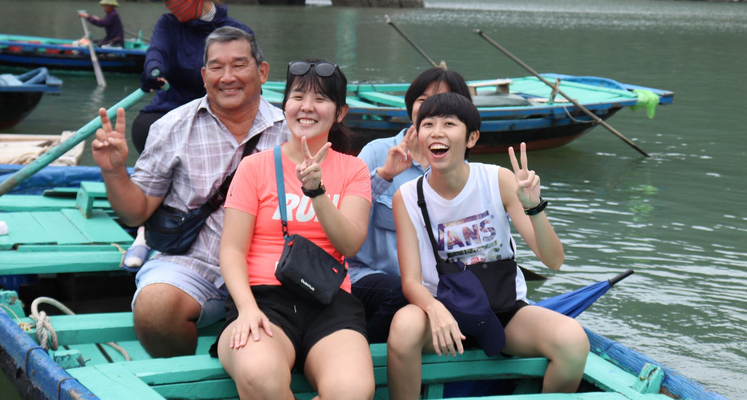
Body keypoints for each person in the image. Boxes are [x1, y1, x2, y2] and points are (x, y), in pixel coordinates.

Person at [91, 26, 289, 358]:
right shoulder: (171, 127)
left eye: (239, 65)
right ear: (203, 74)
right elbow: (135, 212)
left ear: (263, 71)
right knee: (154, 309)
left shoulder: (292, 131)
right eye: (216, 66)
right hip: (193, 263)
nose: (228, 77)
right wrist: (113, 171)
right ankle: (184, 382)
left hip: (272, 267)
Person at [387, 92, 590, 398]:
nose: (437, 132)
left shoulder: (498, 180)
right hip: (442, 316)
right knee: (403, 327)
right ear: (418, 134)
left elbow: (554, 260)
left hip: (503, 313)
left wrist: (534, 207)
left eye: (449, 124)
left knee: (573, 341)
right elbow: (411, 280)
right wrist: (434, 310)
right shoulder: (407, 197)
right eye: (427, 124)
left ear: (471, 138)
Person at [214, 59, 375, 400]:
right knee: (260, 375)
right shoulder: (254, 167)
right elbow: (230, 250)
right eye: (298, 96)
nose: (307, 107)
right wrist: (246, 309)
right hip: (263, 299)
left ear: (340, 112)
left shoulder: (354, 170)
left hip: (329, 301)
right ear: (284, 104)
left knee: (353, 391)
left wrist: (317, 192)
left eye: (321, 99)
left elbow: (349, 244)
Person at [348, 67, 473, 343]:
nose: (433, 108)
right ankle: (361, 353)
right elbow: (345, 215)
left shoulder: (462, 172)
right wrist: (386, 175)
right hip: (370, 276)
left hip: (431, 286)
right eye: (423, 100)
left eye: (444, 101)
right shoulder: (377, 152)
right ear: (410, 108)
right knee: (405, 294)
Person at [133, 0, 254, 154]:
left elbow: (249, 87)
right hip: (170, 110)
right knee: (143, 128)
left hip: (219, 116)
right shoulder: (168, 24)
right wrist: (153, 71)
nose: (167, 4)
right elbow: (157, 52)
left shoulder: (238, 33)